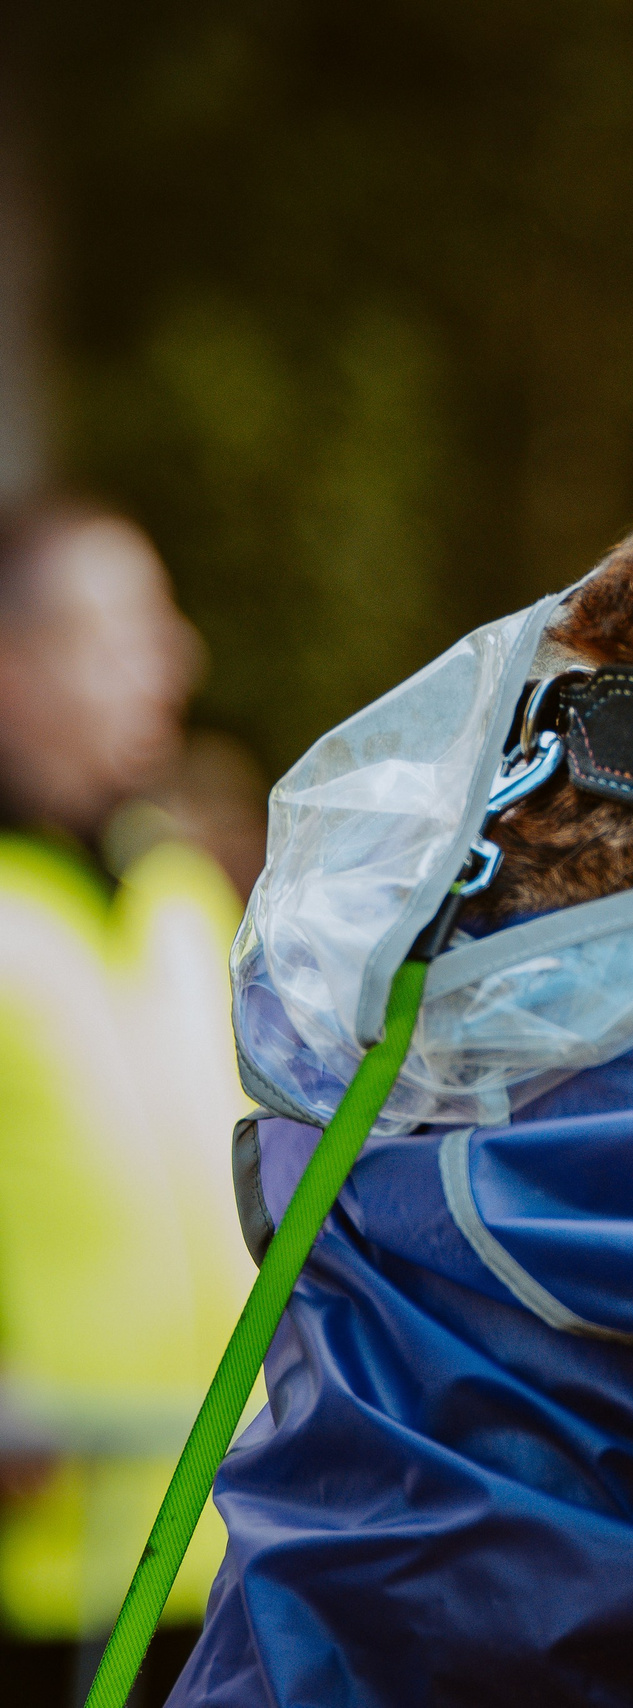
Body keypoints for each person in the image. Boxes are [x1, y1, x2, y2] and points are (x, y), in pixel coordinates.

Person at [0, 502, 254, 1702]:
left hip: (229, 1565)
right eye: (121, 632)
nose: (174, 657)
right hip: (41, 1594)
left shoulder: (181, 894)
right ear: (14, 669)